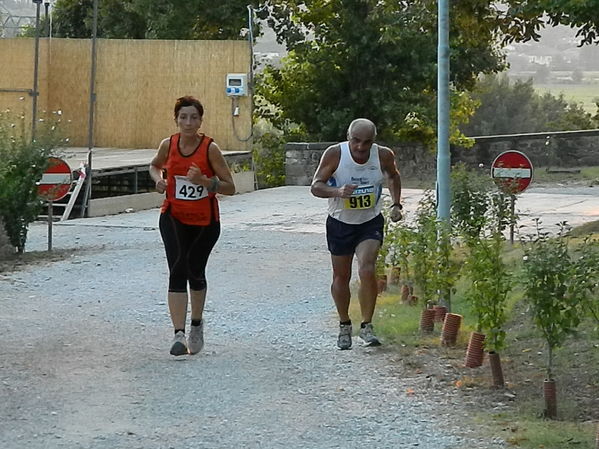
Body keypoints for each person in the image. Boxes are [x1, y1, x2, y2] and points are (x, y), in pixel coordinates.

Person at [149, 96, 236, 356]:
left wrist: (204, 181)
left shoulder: (210, 148)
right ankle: (178, 334)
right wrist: (158, 180)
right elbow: (154, 166)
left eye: (194, 118)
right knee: (177, 270)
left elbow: (230, 187)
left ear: (200, 121)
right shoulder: (169, 145)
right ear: (176, 119)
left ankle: (196, 324)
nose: (188, 122)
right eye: (183, 117)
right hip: (173, 216)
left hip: (205, 222)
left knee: (194, 271)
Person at [310, 118, 403, 350]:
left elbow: (393, 175)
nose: (361, 147)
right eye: (356, 141)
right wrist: (338, 191)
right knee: (341, 276)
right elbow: (316, 186)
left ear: (374, 141)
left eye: (367, 142)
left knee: (367, 268)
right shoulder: (334, 154)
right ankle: (344, 325)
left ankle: (367, 326)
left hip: (369, 222)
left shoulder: (383, 155)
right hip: (340, 222)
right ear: (348, 137)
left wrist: (396, 204)